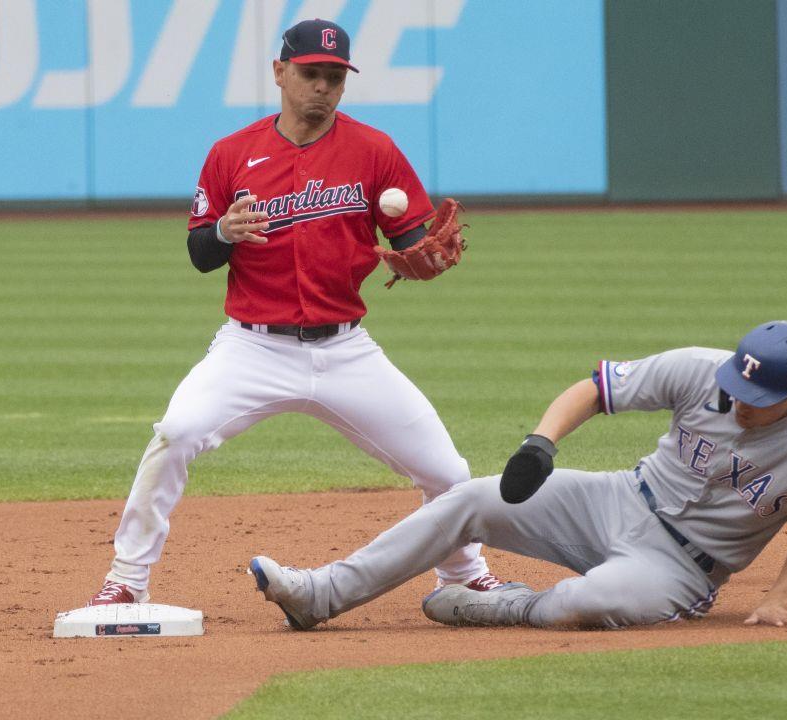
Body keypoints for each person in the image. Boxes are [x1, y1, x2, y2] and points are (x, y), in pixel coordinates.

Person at [87, 19, 499, 606]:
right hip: (253, 348)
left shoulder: (375, 150)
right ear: (280, 73)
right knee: (175, 434)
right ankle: (126, 580)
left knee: (447, 472)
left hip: (345, 349)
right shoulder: (231, 154)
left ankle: (463, 576)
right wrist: (225, 232)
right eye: (310, 73)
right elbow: (200, 254)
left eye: (334, 77)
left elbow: (412, 241)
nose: (322, 87)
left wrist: (425, 261)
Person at [249, 320, 787, 629]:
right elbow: (595, 391)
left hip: (681, 568)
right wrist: (542, 441)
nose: (740, 398)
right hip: (618, 499)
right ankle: (318, 595)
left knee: (582, 604)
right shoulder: (698, 370)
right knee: (470, 499)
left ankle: (500, 607)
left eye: (758, 393)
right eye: (737, 383)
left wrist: (778, 598)